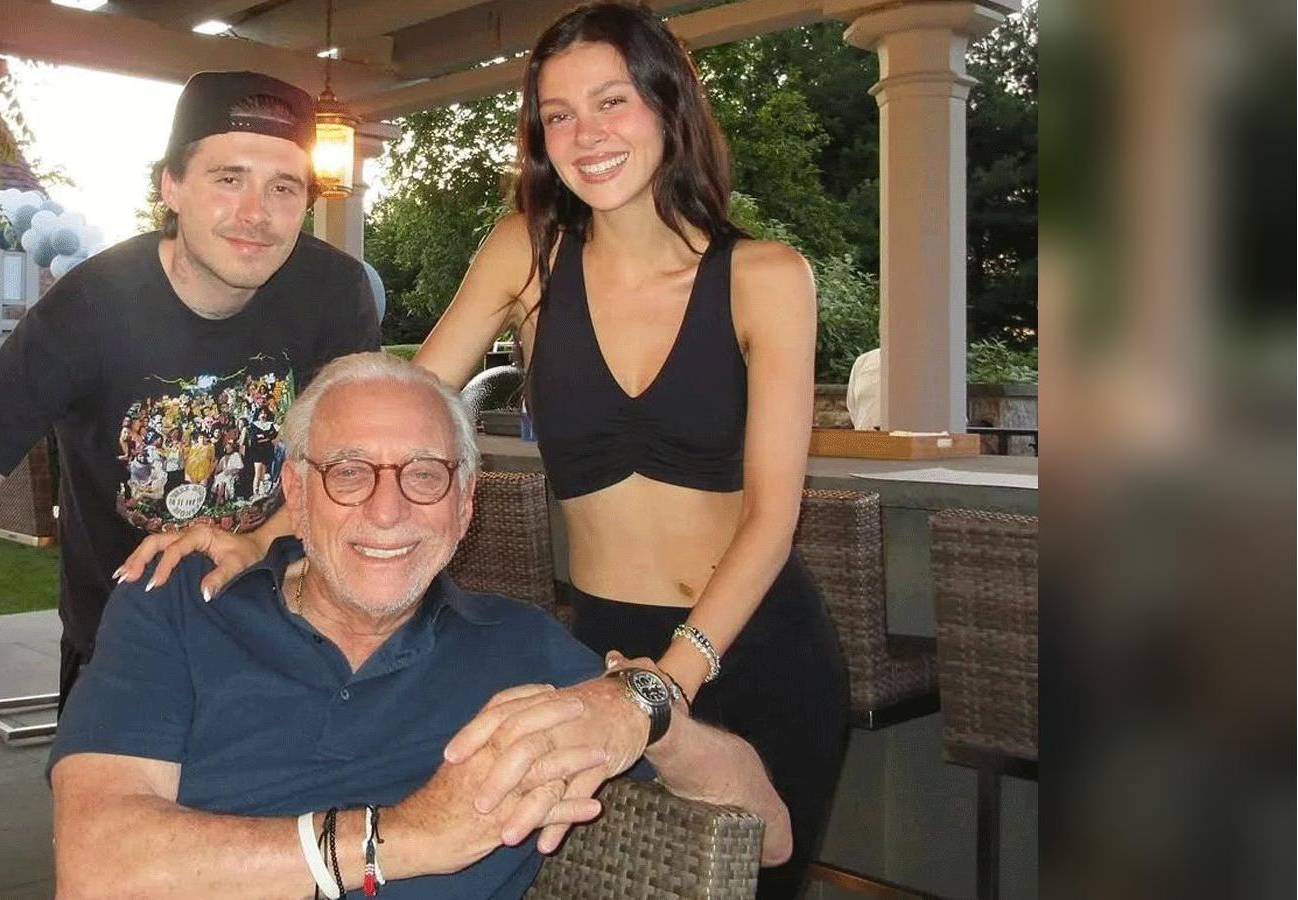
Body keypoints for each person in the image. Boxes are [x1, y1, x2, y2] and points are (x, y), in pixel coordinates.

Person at [115, 6, 849, 897]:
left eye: (611, 101)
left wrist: (660, 689)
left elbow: (771, 520)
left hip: (752, 646)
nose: (586, 135)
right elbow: (397, 412)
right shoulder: (525, 254)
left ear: (667, 105)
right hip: (599, 642)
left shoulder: (767, 278)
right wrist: (261, 535)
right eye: (558, 114)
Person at [50, 353, 791, 898]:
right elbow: (97, 868)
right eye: (349, 472)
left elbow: (769, 834)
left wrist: (649, 713)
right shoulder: (180, 604)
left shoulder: (519, 648)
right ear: (296, 494)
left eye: (425, 475)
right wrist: (407, 837)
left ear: (465, 505)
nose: (387, 510)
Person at [0, 71, 382, 711]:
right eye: (228, 179)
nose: (256, 214)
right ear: (171, 186)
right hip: (122, 650)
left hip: (285, 637)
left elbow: (356, 464)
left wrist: (263, 541)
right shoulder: (86, 311)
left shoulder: (332, 292)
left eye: (283, 187)